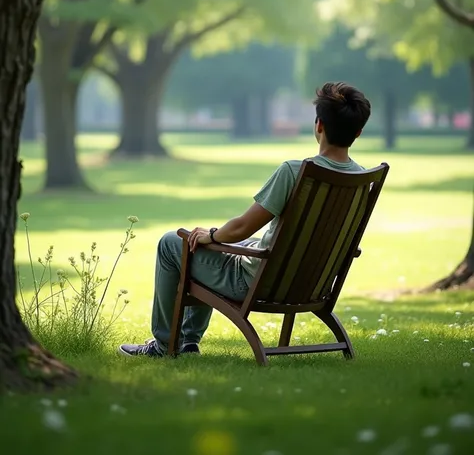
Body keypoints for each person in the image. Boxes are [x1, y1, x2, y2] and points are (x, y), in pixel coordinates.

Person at [118, 81, 371, 358]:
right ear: (358, 132)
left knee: (173, 243)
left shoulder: (295, 172)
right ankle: (188, 342)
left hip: (256, 283)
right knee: (206, 239)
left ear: (319, 125)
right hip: (310, 284)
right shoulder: (362, 180)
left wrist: (211, 236)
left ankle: (166, 344)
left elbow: (241, 228)